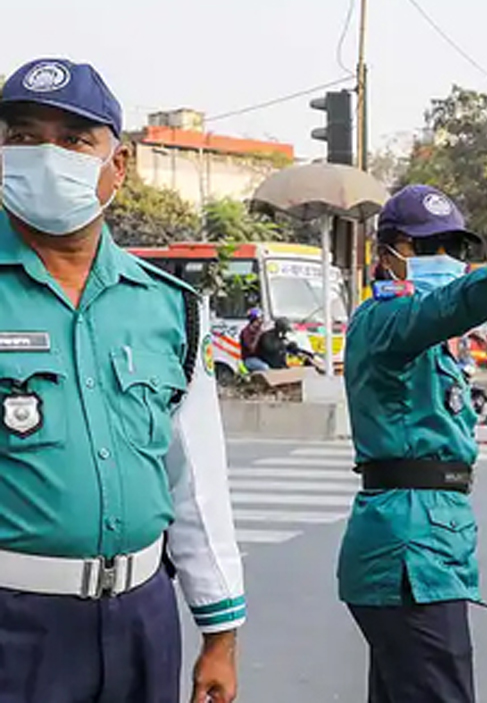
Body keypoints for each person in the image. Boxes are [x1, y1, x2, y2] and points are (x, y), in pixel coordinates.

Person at [0, 58, 243, 701]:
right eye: (22, 136)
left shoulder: (171, 307)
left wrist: (220, 633)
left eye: (75, 140)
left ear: (120, 165)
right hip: (14, 626)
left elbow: (195, 479)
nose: (46, 156)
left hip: (143, 620)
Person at [340, 181, 487, 703]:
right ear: (391, 253)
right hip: (409, 550)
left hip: (430, 541)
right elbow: (455, 303)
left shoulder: (424, 332)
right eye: (429, 247)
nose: (445, 259)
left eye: (454, 248)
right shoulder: (386, 319)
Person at [240, 307, 269, 372]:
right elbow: (251, 349)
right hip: (249, 359)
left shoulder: (259, 330)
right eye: (259, 319)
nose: (261, 321)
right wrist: (258, 335)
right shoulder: (246, 332)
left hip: (261, 358)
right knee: (265, 367)